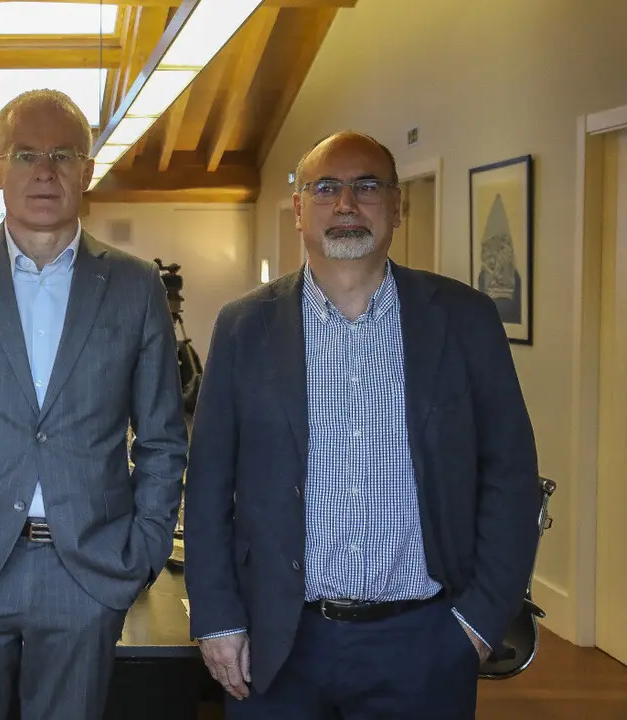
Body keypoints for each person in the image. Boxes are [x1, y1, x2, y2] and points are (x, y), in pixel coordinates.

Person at [184, 131, 542, 719]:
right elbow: (208, 485)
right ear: (299, 208)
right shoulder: (244, 326)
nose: (347, 204)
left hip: (425, 640)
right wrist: (218, 618)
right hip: (278, 642)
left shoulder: (464, 319)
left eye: (367, 186)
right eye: (326, 188)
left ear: (396, 206)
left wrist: (479, 621)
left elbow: (511, 474)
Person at [0, 89, 188, 720]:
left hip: (88, 571)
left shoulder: (135, 286)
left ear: (88, 170)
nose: (45, 171)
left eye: (63, 155)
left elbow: (163, 438)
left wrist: (145, 547)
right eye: (25, 154)